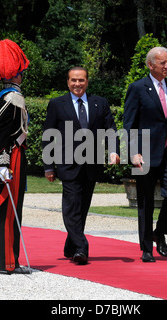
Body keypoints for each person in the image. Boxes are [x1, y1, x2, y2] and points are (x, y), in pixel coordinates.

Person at [42, 67, 119, 265]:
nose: (78, 84)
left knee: (82, 207)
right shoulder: (57, 104)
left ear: (87, 81)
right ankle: (82, 249)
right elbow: (49, 135)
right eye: (74, 80)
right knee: (71, 206)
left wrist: (113, 150)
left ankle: (71, 245)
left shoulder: (99, 103)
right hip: (67, 164)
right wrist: (48, 166)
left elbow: (110, 129)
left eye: (81, 80)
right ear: (68, 82)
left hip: (91, 164)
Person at [123, 47, 167, 263]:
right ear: (151, 65)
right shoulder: (137, 88)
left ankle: (159, 232)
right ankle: (146, 248)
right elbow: (128, 124)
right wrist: (132, 153)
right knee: (145, 201)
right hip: (144, 153)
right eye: (162, 63)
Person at [0, 39, 30, 274]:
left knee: (5, 210)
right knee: (9, 209)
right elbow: (1, 136)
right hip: (11, 158)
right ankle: (7, 263)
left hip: (2, 156)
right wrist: (2, 166)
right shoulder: (14, 98)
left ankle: (4, 261)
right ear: (17, 72)